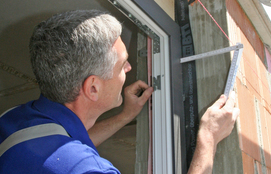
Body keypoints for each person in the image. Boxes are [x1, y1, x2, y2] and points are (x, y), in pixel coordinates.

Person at [0, 10, 239, 174]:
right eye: (123, 63)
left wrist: (126, 115)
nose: (129, 68)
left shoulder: (16, 119)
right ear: (93, 87)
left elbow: (63, 145)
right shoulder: (87, 169)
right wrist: (208, 138)